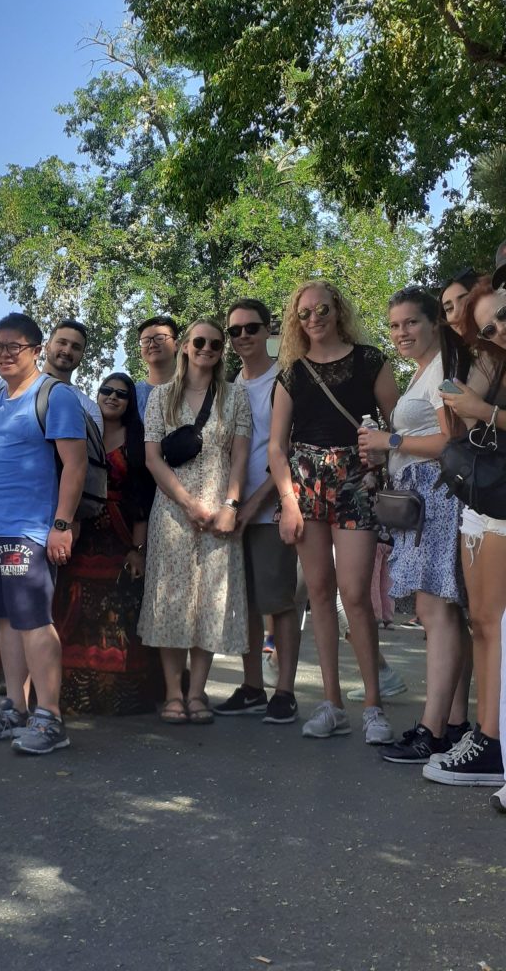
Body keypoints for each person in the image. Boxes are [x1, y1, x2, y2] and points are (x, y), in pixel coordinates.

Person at [269, 279, 399, 744]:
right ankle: (332, 703)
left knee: (355, 593)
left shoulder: (369, 360)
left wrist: (383, 456)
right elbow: (276, 447)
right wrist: (287, 501)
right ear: (295, 321)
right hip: (305, 484)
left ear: (337, 310)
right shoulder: (292, 373)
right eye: (304, 313)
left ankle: (373, 706)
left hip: (354, 481)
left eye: (321, 308)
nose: (313, 318)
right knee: (319, 593)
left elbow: (398, 423)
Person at [355, 288, 471, 763]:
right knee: (442, 614)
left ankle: (432, 728)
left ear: (433, 324)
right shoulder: (423, 371)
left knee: (436, 611)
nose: (402, 332)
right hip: (421, 498)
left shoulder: (445, 368)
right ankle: (455, 722)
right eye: (395, 325)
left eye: (411, 323)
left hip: (439, 497)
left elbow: (452, 439)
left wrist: (392, 438)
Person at [0, 312, 87, 754]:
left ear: (35, 350)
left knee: (35, 621)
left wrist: (60, 525)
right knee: (6, 621)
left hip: (28, 530)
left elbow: (73, 465)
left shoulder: (54, 395)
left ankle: (49, 717)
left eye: (12, 347)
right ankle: (14, 708)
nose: (2, 354)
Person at [139, 319, 251, 725]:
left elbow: (239, 456)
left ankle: (197, 692)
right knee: (171, 602)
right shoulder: (161, 397)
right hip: (172, 510)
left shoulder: (234, 397)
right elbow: (152, 459)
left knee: (209, 601)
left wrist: (230, 505)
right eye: (199, 341)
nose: (207, 348)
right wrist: (187, 503)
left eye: (216, 343)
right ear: (185, 346)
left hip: (220, 510)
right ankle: (173, 692)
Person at [426, 265, 506, 789]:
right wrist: (462, 414)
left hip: (499, 500)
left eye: (500, 319)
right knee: (483, 621)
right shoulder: (490, 359)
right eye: (491, 329)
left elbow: (487, 416)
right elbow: (471, 424)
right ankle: (485, 734)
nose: (497, 331)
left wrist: (484, 411)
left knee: (494, 624)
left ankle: (493, 742)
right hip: (484, 497)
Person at [212, 299, 301, 725]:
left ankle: (284, 691)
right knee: (244, 604)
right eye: (235, 331)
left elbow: (286, 452)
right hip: (233, 511)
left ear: (268, 330)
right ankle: (252, 686)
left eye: (251, 328)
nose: (243, 337)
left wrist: (256, 504)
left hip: (267, 511)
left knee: (279, 602)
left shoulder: (283, 380)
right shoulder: (228, 387)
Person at [53, 372, 162, 715]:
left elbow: (143, 500)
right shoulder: (82, 431)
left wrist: (138, 550)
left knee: (118, 616)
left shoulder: (137, 441)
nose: (113, 397)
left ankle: (118, 699)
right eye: (106, 391)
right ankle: (73, 698)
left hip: (122, 538)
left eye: (122, 394)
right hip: (82, 536)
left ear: (131, 403)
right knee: (76, 612)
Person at [42, 319, 104, 432]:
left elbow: (89, 449)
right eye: (62, 342)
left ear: (82, 356)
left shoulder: (89, 409)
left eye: (76, 347)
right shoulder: (7, 387)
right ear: (47, 346)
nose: (67, 351)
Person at [133, 314, 180, 420]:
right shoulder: (132, 394)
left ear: (176, 345)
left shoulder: (195, 388)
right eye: (145, 341)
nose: (152, 345)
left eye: (159, 338)